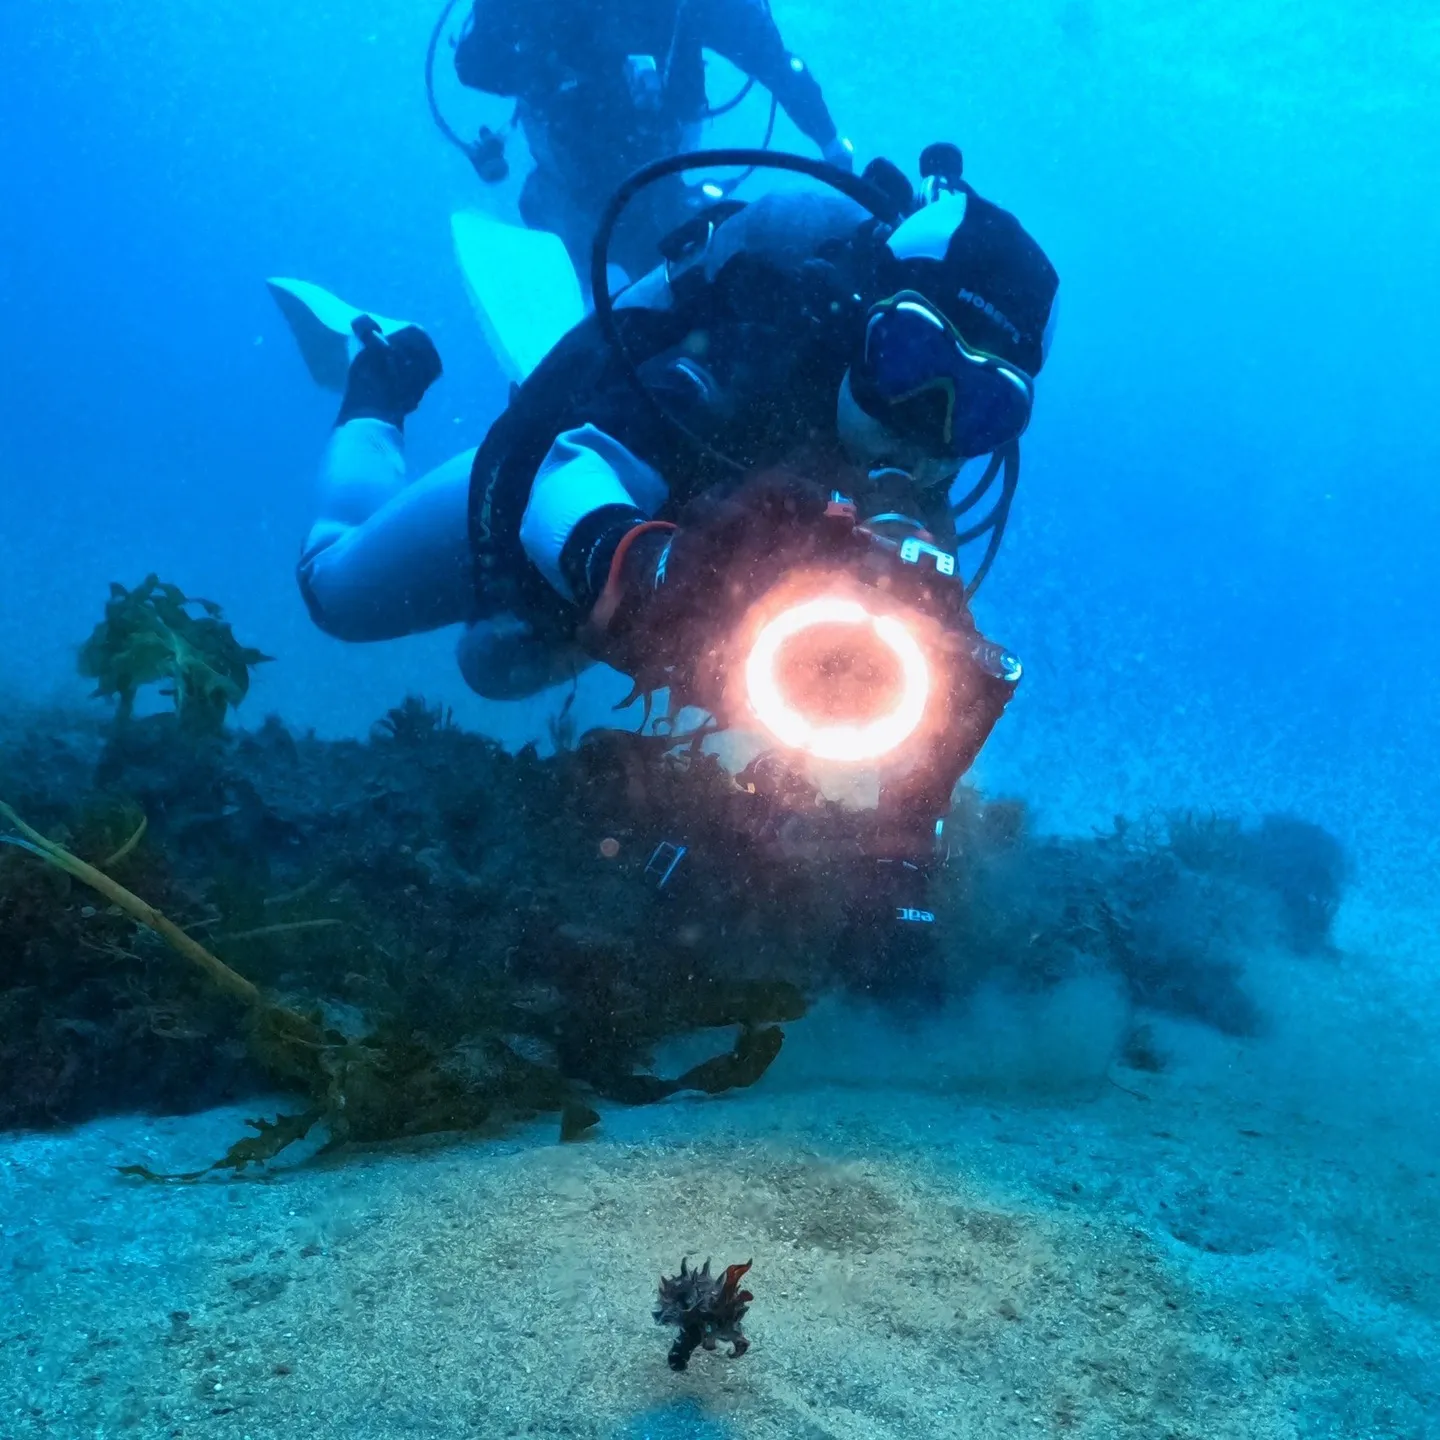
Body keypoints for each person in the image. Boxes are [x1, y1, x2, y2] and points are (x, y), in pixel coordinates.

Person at [281, 148, 1058, 794]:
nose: (925, 418)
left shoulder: (927, 483)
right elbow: (571, 472)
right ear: (865, 315)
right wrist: (653, 569)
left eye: (983, 406)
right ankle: (380, 363)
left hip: (665, 569)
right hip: (598, 466)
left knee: (497, 665)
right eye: (913, 356)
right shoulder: (764, 337)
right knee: (337, 594)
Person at [452, 0, 853, 281]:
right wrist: (556, 70)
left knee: (655, 246)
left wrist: (830, 142)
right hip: (572, 158)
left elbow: (773, 60)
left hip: (653, 165)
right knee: (583, 223)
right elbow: (473, 63)